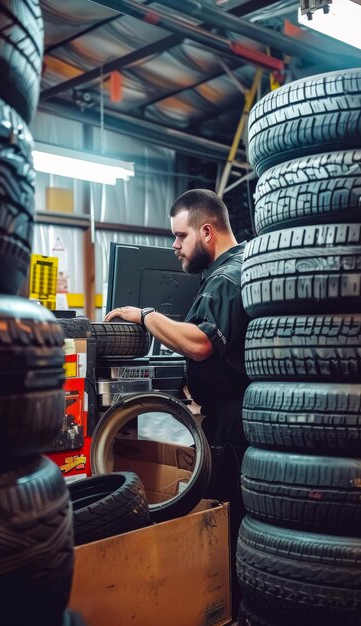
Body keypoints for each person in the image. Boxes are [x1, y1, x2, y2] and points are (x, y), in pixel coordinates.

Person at [104, 188, 250, 615]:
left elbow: (202, 343)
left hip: (233, 422)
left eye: (180, 236)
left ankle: (229, 607)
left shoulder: (227, 276)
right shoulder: (228, 272)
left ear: (207, 231)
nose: (174, 246)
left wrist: (145, 316)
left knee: (228, 522)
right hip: (230, 416)